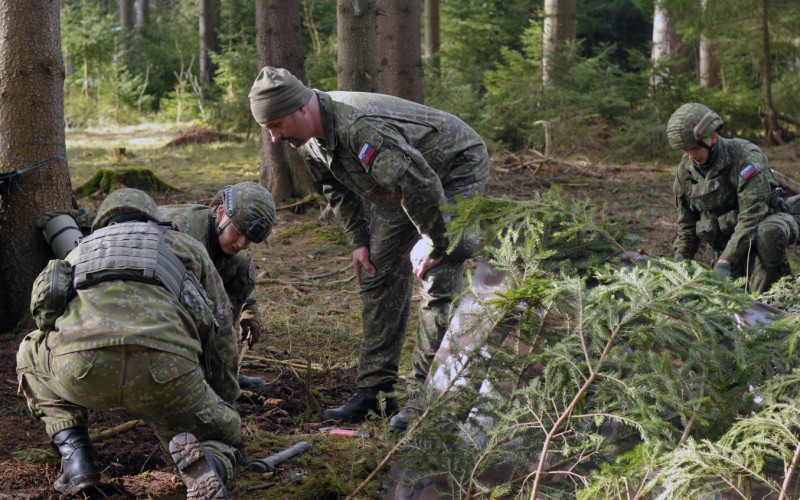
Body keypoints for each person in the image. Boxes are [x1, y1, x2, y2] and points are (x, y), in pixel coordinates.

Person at [248, 66, 490, 431]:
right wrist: (359, 241)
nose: (275, 137)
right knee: (377, 273)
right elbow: (334, 188)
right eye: (267, 129)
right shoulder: (307, 139)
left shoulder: (360, 128)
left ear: (300, 107)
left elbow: (421, 184)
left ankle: (426, 398)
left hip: (452, 167)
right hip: (399, 187)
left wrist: (434, 241)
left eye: (277, 125)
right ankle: (376, 392)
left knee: (438, 274)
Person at [18, 188, 241, 498]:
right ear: (153, 217)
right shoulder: (186, 246)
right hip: (167, 371)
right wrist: (224, 401)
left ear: (102, 222)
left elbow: (44, 318)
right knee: (224, 435)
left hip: (80, 369)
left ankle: (77, 459)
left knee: (29, 349)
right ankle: (210, 463)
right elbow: (221, 333)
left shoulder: (77, 251)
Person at [668, 102, 798, 293]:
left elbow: (752, 216)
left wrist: (725, 260)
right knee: (731, 299)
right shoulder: (686, 172)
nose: (691, 156)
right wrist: (678, 266)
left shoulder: (745, 156)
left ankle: (777, 290)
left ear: (712, 137)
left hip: (763, 226)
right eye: (685, 150)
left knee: (768, 235)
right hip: (729, 242)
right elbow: (686, 226)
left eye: (695, 148)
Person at [160, 181, 276, 389]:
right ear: (221, 213)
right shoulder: (185, 235)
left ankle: (220, 368)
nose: (241, 244)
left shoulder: (221, 239)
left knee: (243, 269)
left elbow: (226, 269)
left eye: (249, 239)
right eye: (238, 232)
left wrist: (249, 306)